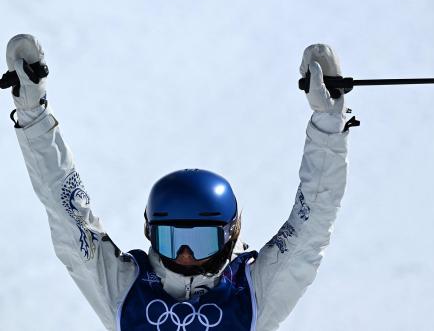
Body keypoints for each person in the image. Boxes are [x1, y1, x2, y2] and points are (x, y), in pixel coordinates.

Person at [4, 34, 358, 331]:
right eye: (171, 239)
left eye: (200, 241)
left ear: (229, 234)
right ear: (150, 233)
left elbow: (312, 222)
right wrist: (33, 114)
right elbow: (68, 214)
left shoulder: (253, 295)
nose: (185, 255)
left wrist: (328, 123)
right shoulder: (124, 291)